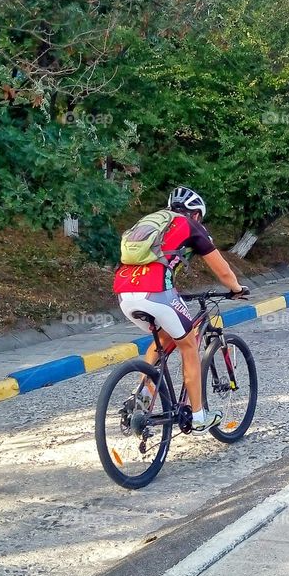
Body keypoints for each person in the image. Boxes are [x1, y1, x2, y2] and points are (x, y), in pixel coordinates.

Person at [113, 186, 249, 434]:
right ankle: (199, 416)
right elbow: (223, 271)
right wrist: (237, 288)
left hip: (124, 293)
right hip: (156, 292)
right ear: (196, 214)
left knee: (164, 338)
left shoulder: (151, 223)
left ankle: (141, 399)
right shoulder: (190, 225)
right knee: (188, 344)